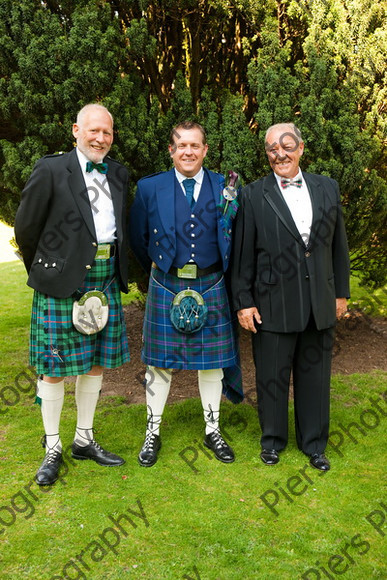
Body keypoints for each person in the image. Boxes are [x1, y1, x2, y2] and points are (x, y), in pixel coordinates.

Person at [14, 104, 130, 485]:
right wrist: (50, 269)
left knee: (96, 362)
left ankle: (84, 438)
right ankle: (52, 447)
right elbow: (26, 227)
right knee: (54, 368)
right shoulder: (51, 169)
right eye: (94, 130)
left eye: (107, 133)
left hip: (105, 275)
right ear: (76, 129)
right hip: (62, 280)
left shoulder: (118, 173)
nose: (100, 138)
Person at [231, 122, 350, 471]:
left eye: (286, 145)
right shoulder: (252, 194)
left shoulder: (328, 188)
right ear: (266, 153)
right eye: (271, 148)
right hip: (271, 304)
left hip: (319, 301)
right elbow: (242, 256)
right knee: (271, 376)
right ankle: (272, 441)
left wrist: (341, 293)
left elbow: (338, 246)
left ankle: (314, 444)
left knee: (315, 377)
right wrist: (244, 301)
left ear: (300, 148)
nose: (279, 153)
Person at [129, 121, 242, 467]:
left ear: (205, 150)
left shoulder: (226, 186)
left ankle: (213, 430)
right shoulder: (150, 188)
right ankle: (153, 431)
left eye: (195, 146)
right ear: (171, 151)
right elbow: (138, 239)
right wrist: (160, 270)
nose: (188, 152)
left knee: (212, 366)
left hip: (211, 284)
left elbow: (236, 236)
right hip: (167, 284)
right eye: (181, 146)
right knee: (159, 366)